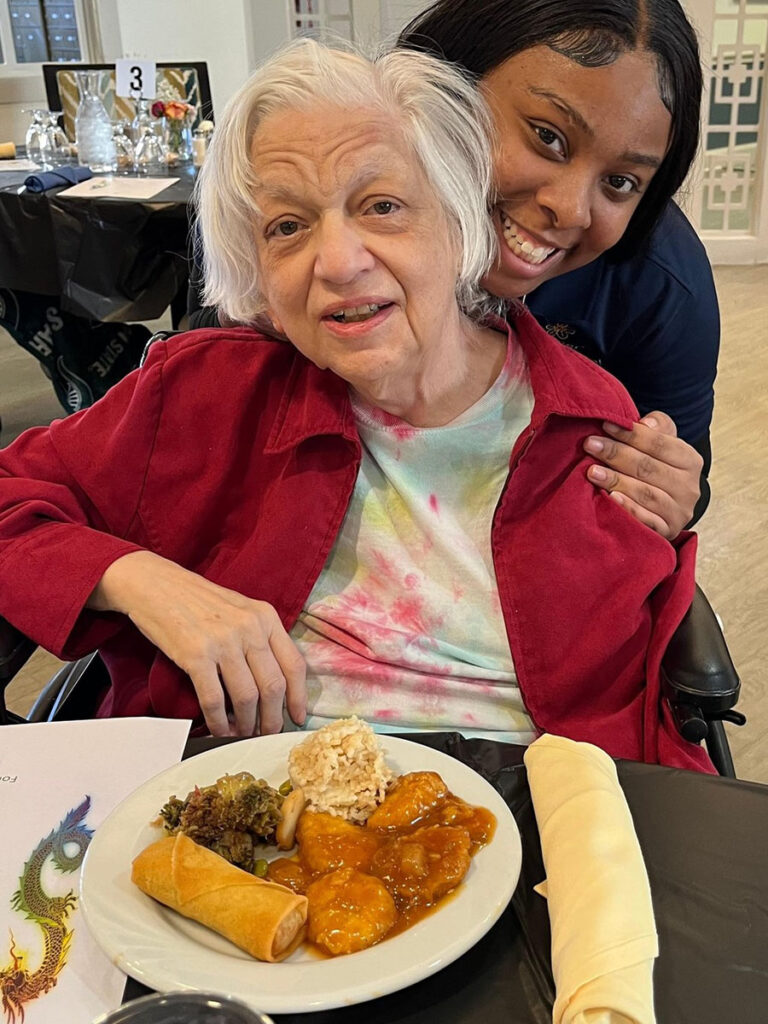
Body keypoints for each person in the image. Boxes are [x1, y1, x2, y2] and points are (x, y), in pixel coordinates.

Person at [0, 41, 712, 772]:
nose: (337, 263)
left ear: (459, 222)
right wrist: (147, 582)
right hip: (240, 803)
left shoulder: (589, 427)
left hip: (525, 811)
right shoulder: (203, 395)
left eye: (382, 206)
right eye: (287, 226)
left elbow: (632, 685)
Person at [398, 0, 715, 535]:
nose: (569, 209)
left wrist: (665, 491)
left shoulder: (661, 287)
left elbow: (685, 473)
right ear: (443, 84)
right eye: (548, 136)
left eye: (619, 182)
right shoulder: (335, 215)